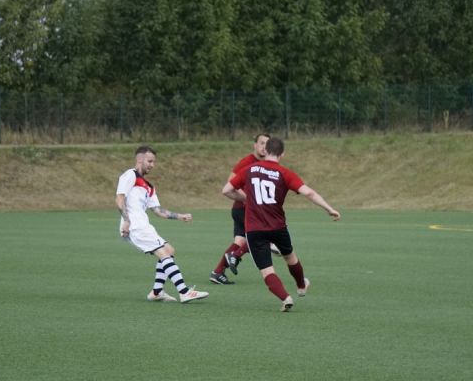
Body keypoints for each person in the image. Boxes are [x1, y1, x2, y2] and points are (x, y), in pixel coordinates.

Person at [222, 137, 341, 312]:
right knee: (290, 257)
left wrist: (246, 199)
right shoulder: (285, 173)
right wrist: (329, 209)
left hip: (254, 229)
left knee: (266, 270)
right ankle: (301, 286)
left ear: (266, 150)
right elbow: (309, 193)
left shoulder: (249, 169)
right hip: (278, 227)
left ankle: (285, 298)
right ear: (282, 154)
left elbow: (226, 190)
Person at [116, 146, 209, 303]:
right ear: (139, 159)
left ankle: (157, 292)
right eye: (149, 161)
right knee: (164, 254)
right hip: (135, 225)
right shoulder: (130, 175)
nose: (152, 165)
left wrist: (180, 216)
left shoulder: (149, 187)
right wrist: (126, 221)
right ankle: (184, 292)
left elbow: (158, 211)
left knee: (169, 250)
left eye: (154, 162)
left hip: (143, 224)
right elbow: (119, 198)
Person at [209, 133, 270, 285]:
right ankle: (235, 255)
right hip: (244, 209)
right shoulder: (248, 161)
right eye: (261, 143)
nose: (264, 147)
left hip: (241, 210)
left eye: (267, 144)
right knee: (262, 237)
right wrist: (247, 199)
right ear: (254, 145)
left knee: (240, 241)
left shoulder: (265, 164)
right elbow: (231, 182)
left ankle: (217, 272)